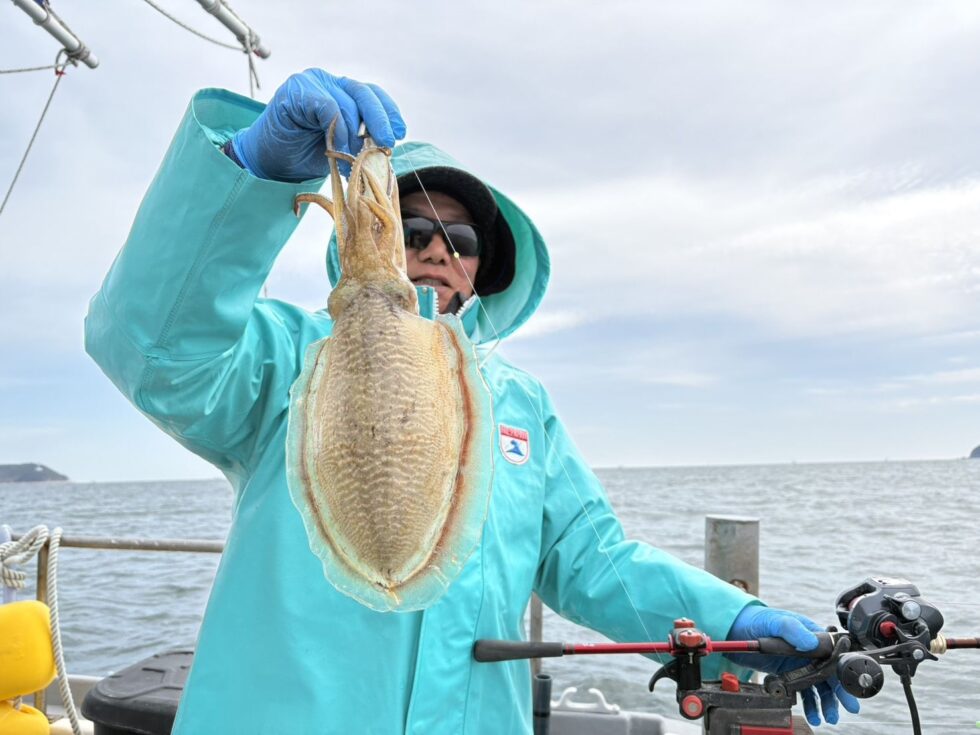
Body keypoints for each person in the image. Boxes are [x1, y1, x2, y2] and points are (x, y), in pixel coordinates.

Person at [85, 69, 859, 734]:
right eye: (415, 229)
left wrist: (730, 623)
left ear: (485, 270)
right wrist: (250, 176)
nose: (434, 249)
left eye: (461, 240)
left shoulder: (522, 404)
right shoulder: (286, 356)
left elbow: (594, 561)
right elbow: (149, 343)